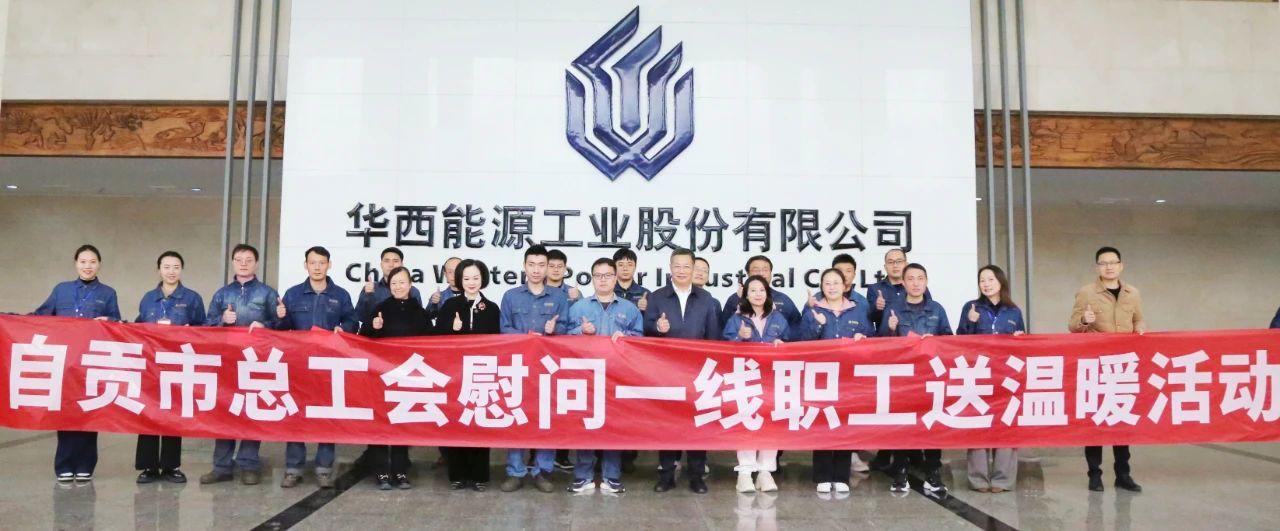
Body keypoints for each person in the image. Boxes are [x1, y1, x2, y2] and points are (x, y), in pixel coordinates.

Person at [34, 244, 121, 483]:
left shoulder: (108, 293)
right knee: (65, 412)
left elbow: (118, 324)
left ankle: (85, 464)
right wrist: (10, 319)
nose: (87, 266)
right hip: (65, 363)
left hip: (92, 363)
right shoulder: (61, 290)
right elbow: (40, 316)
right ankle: (64, 464)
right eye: (83, 262)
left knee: (89, 411)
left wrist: (109, 320)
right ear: (76, 264)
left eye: (92, 262)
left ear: (99, 265)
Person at [274, 246, 359, 489]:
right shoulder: (293, 294)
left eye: (322, 262)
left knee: (326, 416)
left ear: (329, 265)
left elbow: (352, 320)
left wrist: (345, 328)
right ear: (306, 265)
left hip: (329, 365)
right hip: (299, 364)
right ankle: (293, 468)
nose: (317, 267)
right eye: (313, 263)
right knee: (296, 415)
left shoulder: (340, 295)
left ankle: (324, 468)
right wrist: (281, 316)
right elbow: (282, 329)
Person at [199, 243, 280, 486]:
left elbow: (281, 324)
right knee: (226, 410)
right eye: (239, 260)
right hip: (227, 361)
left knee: (252, 411)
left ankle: (249, 464)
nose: (243, 264)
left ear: (256, 263)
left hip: (256, 361)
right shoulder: (222, 294)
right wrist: (221, 320)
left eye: (248, 260)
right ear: (233, 263)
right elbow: (206, 325)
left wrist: (265, 325)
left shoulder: (267, 293)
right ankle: (221, 465)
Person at [644, 248, 721, 494]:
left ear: (693, 268)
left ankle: (696, 476)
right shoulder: (657, 297)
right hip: (666, 371)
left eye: (686, 266)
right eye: (677, 266)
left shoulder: (706, 298)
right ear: (670, 268)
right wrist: (657, 327)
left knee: (698, 424)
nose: (681, 271)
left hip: (698, 372)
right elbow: (645, 330)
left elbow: (713, 336)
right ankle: (666, 475)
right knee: (668, 424)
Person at [1069, 246, 1145, 493]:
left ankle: (1123, 474)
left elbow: (1138, 320)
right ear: (1097, 267)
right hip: (1097, 365)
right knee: (1096, 421)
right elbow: (1072, 326)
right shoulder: (1086, 292)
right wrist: (1084, 321)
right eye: (1104, 263)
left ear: (1121, 265)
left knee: (1121, 420)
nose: (1109, 267)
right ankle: (1095, 474)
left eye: (1113, 262)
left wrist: (1140, 330)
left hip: (1123, 365)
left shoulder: (1132, 293)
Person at [564, 258, 643, 493]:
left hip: (617, 376)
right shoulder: (579, 308)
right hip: (586, 376)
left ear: (615, 277)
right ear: (592, 278)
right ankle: (583, 475)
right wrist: (580, 331)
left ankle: (611, 476)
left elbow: (641, 339)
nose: (603, 280)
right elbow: (563, 337)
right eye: (598, 276)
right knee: (585, 424)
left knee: (613, 426)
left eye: (608, 275)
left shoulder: (629, 308)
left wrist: (627, 337)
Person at [498, 245, 569, 493]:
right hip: (518, 366)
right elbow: (504, 328)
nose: (536, 270)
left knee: (545, 419)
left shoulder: (559, 297)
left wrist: (554, 330)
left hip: (548, 369)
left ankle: (542, 471)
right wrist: (526, 337)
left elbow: (566, 328)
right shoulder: (511, 296)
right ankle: (515, 471)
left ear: (548, 267)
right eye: (532, 264)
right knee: (516, 417)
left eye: (541, 265)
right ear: (524, 266)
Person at [798, 268, 874, 493]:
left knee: (844, 425)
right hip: (820, 377)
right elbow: (801, 342)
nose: (831, 287)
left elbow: (871, 338)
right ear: (822, 287)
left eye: (836, 283)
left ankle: (841, 475)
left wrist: (863, 338)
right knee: (823, 423)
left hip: (848, 378)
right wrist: (818, 325)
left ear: (844, 286)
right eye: (827, 283)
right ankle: (822, 475)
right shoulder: (812, 310)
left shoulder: (857, 310)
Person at [134, 250, 205, 484]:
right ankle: (148, 466)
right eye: (166, 267)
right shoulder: (148, 298)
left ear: (181, 270)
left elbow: (204, 329)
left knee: (173, 413)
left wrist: (190, 332)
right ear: (159, 270)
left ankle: (171, 465)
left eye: (176, 267)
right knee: (148, 413)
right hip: (151, 365)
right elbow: (138, 327)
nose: (171, 271)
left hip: (178, 364)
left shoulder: (192, 298)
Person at [880, 263, 951, 496]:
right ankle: (900, 471)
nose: (916, 283)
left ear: (926, 281)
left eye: (920, 278)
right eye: (910, 278)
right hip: (903, 377)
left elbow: (950, 340)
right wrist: (890, 329)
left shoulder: (937, 309)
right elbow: (880, 344)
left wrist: (936, 341)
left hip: (931, 376)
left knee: (932, 425)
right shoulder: (893, 309)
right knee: (903, 425)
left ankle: (933, 472)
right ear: (903, 282)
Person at [360, 265, 434, 490]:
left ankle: (401, 471)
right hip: (382, 376)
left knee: (402, 424)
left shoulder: (419, 311)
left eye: (402, 282)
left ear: (410, 284)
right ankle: (382, 472)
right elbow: (363, 338)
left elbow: (432, 343)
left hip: (408, 377)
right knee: (381, 423)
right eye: (394, 283)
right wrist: (373, 327)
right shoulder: (380, 308)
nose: (398, 287)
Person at [957, 265, 1025, 494]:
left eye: (990, 279)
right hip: (978, 374)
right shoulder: (971, 307)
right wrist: (971, 322)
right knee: (978, 424)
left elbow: (1023, 344)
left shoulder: (1013, 311)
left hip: (1005, 375)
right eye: (982, 280)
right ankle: (978, 479)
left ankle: (1002, 480)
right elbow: (959, 341)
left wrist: (1020, 338)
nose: (985, 284)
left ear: (1001, 282)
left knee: (1006, 424)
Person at [435, 259, 500, 491]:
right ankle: (458, 474)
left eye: (475, 278)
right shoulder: (449, 305)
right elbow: (436, 338)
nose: (471, 282)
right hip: (455, 374)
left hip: (482, 373)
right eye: (466, 278)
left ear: (483, 279)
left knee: (479, 422)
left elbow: (498, 342)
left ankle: (480, 475)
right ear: (459, 280)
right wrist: (451, 330)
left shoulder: (491, 307)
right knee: (457, 422)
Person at [722, 275, 786, 493]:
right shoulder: (736, 319)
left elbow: (791, 342)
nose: (758, 294)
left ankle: (766, 471)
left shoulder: (778, 318)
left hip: (772, 378)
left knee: (771, 423)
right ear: (746, 295)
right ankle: (745, 472)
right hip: (745, 378)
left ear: (767, 293)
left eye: (761, 290)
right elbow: (724, 347)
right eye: (753, 290)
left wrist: (782, 344)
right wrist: (739, 337)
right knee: (747, 422)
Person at [719, 256, 802, 339]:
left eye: (765, 270)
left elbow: (797, 327)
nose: (761, 273)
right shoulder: (734, 299)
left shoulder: (783, 299)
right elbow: (724, 330)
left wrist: (782, 342)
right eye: (756, 270)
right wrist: (739, 336)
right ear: (748, 274)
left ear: (771, 273)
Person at [355, 247, 422, 323]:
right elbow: (360, 317)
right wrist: (366, 296)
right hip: (377, 330)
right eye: (387, 261)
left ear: (402, 264)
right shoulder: (370, 289)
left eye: (395, 261)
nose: (391, 265)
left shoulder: (413, 291)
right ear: (381, 264)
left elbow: (420, 320)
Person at [425, 256, 461, 321]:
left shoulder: (472, 295)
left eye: (457, 271)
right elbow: (426, 317)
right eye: (450, 272)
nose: (454, 275)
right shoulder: (438, 297)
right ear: (445, 274)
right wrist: (434, 304)